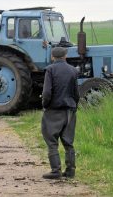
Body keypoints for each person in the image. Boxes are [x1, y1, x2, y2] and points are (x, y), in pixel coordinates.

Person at [41, 47, 80, 179]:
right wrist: (74, 107)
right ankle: (70, 171)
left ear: (52, 57)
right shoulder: (73, 71)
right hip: (70, 110)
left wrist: (45, 105)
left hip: (54, 110)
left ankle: (55, 170)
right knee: (68, 142)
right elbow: (76, 93)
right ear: (65, 56)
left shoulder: (50, 70)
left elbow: (46, 92)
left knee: (51, 140)